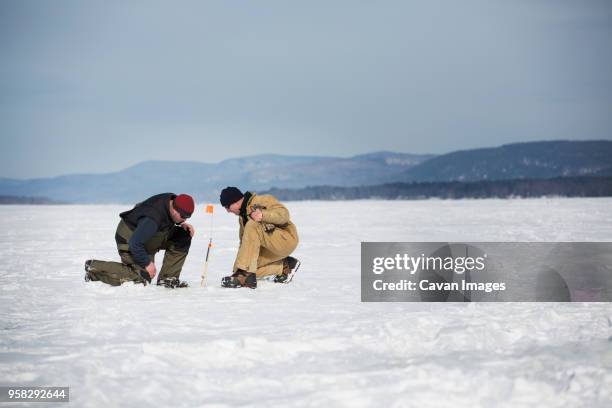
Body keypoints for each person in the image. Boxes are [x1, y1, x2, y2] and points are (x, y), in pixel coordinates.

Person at [84, 193, 196, 288]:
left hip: (148, 236)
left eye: (188, 217)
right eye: (184, 216)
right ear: (175, 210)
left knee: (182, 236)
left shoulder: (172, 201)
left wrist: (181, 223)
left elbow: (164, 217)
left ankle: (167, 279)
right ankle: (95, 269)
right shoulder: (153, 217)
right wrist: (147, 263)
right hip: (129, 240)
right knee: (142, 279)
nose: (185, 219)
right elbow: (135, 243)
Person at [219, 187, 300, 289]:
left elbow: (284, 215)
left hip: (286, 240)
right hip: (269, 247)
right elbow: (245, 244)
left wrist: (263, 215)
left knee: (253, 225)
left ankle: (245, 276)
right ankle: (284, 267)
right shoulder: (242, 217)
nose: (227, 211)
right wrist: (238, 269)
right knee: (246, 267)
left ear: (235, 201)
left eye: (227, 207)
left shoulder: (262, 200)